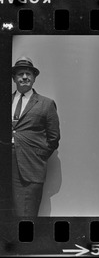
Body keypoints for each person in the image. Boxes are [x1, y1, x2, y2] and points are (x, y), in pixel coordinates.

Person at [11, 56, 60, 217]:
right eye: (20, 74)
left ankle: (25, 242)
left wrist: (37, 155)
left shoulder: (46, 104)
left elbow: (53, 138)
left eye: (28, 74)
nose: (24, 77)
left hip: (29, 166)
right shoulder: (5, 101)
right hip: (5, 165)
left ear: (33, 78)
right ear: (14, 78)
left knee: (25, 215)